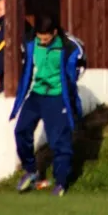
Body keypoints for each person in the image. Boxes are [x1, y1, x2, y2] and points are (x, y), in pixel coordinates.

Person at [10, 13, 86, 197]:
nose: (42, 42)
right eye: (39, 38)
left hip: (57, 97)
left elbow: (81, 67)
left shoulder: (69, 47)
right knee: (21, 130)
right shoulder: (29, 42)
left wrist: (69, 86)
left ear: (54, 33)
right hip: (36, 94)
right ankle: (31, 171)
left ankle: (61, 182)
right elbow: (26, 64)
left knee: (59, 141)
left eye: (46, 39)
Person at [0, 0, 33, 95]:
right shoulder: (23, 23)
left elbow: (2, 49)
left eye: (0, 10)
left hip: (9, 74)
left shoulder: (8, 25)